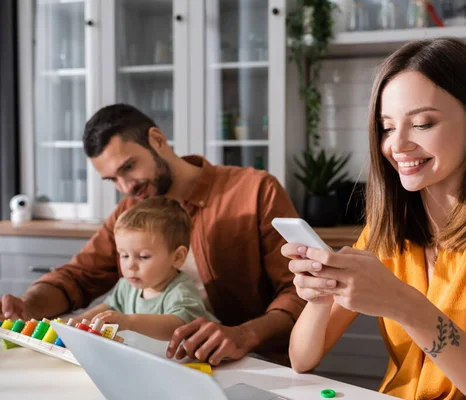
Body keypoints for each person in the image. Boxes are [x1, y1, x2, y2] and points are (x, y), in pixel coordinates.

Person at [283, 38, 466, 400]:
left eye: (421, 124)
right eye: (387, 127)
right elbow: (301, 358)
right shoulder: (385, 229)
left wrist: (403, 303)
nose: (397, 145)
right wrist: (319, 297)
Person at [1, 104, 305, 365]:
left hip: (251, 365)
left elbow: (299, 292)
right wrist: (27, 304)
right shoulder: (131, 211)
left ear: (157, 140)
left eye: (129, 167)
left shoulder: (254, 192)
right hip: (162, 365)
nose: (126, 187)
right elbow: (79, 276)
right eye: (113, 180)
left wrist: (244, 334)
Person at [75, 196, 219, 341]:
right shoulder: (126, 286)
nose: (130, 265)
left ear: (177, 257)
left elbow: (177, 327)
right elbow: (107, 308)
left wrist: (129, 322)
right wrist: (80, 320)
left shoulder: (181, 292)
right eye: (124, 255)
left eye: (143, 257)